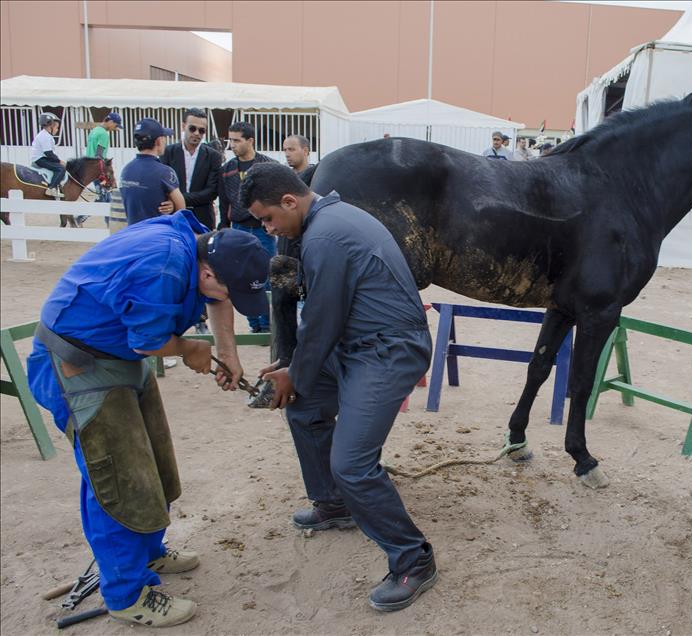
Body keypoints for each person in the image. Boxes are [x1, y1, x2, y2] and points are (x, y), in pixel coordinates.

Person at [26, 212, 271, 628]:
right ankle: (125, 593)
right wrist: (189, 349)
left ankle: (148, 549)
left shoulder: (200, 246)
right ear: (208, 269)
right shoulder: (162, 266)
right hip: (80, 364)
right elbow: (149, 341)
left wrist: (227, 350)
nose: (226, 295)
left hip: (117, 354)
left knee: (152, 461)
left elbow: (218, 298)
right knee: (118, 477)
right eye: (226, 286)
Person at [241, 163, 437, 612]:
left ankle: (413, 559)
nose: (268, 228)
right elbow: (297, 304)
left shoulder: (326, 236)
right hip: (356, 344)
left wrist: (295, 372)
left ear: (290, 201)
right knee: (303, 406)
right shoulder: (316, 224)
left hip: (387, 351)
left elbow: (324, 318)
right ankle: (335, 505)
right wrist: (291, 366)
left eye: (268, 218)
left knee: (352, 463)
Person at [219, 121, 276, 333]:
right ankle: (255, 326)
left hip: (263, 229)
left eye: (236, 140)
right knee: (242, 277)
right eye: (230, 140)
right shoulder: (226, 170)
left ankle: (268, 325)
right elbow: (224, 202)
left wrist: (271, 224)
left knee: (265, 276)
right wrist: (224, 228)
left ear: (250, 140)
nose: (232, 145)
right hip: (238, 228)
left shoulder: (268, 166)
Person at [160, 108, 222, 231]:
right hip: (174, 217)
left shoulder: (213, 156)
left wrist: (178, 200)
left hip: (203, 219)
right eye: (192, 128)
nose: (197, 133)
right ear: (183, 126)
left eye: (202, 130)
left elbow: (211, 192)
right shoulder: (168, 152)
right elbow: (163, 186)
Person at [120, 118, 186, 226]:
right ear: (159, 141)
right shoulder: (165, 172)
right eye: (165, 137)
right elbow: (181, 209)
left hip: (133, 234)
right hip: (156, 236)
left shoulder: (126, 170)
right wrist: (173, 206)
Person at [83, 112, 122, 208]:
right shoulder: (104, 134)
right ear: (111, 122)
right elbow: (99, 154)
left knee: (107, 197)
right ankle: (80, 218)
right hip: (97, 170)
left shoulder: (95, 130)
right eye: (116, 125)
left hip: (89, 166)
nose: (115, 128)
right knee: (102, 197)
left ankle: (109, 221)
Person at [30, 112, 67, 198]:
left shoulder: (46, 135)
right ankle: (51, 188)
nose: (57, 130)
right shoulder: (45, 136)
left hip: (43, 158)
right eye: (56, 127)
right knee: (61, 169)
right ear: (51, 126)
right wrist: (60, 161)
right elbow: (49, 153)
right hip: (40, 159)